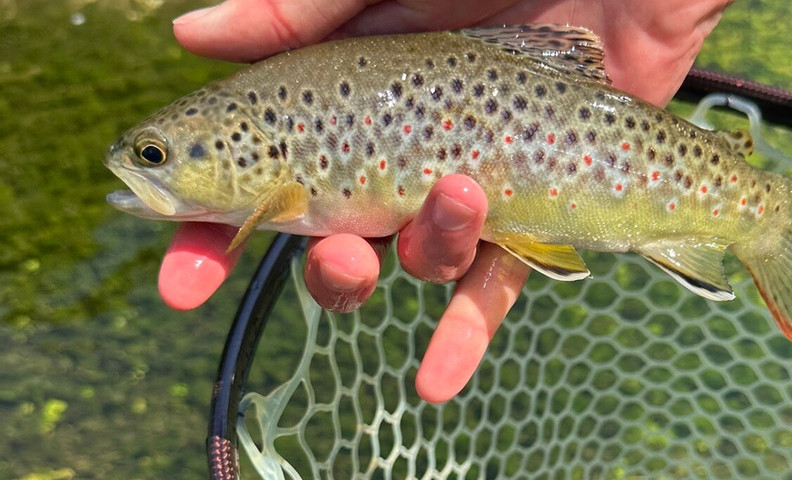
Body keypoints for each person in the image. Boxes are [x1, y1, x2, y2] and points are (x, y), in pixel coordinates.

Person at [166, 0, 735, 403]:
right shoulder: (270, 110)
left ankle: (758, 217)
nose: (143, 169)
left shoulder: (276, 167)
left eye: (153, 156)